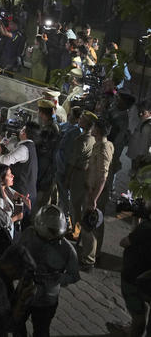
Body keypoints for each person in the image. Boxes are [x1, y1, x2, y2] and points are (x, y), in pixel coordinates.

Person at [16, 205, 80, 337]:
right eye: (49, 230)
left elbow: (74, 275)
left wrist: (57, 278)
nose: (52, 235)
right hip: (24, 292)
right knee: (16, 324)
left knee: (41, 331)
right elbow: (17, 253)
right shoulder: (29, 234)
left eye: (55, 231)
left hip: (47, 299)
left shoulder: (67, 249)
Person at [108, 201, 151, 337]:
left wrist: (137, 221)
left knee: (138, 312)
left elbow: (125, 242)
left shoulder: (145, 228)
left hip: (133, 277)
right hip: (145, 276)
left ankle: (135, 332)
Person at [79, 118, 114, 271]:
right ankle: (94, 254)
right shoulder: (103, 145)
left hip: (95, 192)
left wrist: (94, 198)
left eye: (93, 127)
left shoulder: (103, 148)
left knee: (89, 225)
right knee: (96, 225)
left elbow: (103, 176)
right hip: (94, 190)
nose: (91, 129)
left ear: (98, 131)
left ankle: (88, 261)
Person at [0, 121, 41, 215]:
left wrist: (0, 154)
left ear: (24, 132)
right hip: (28, 192)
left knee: (17, 219)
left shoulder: (24, 149)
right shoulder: (30, 146)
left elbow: (4, 161)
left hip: (22, 194)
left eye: (22, 129)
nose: (20, 130)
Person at [65, 110, 96, 239]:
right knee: (80, 203)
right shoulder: (94, 138)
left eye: (82, 119)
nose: (79, 120)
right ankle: (77, 230)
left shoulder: (81, 139)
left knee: (75, 204)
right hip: (87, 173)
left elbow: (73, 162)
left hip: (78, 173)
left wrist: (67, 178)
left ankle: (76, 232)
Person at [128, 99, 151, 173]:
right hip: (136, 157)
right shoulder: (142, 122)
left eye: (143, 112)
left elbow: (146, 147)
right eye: (139, 111)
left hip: (141, 160)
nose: (140, 114)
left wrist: (139, 160)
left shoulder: (148, 125)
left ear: (150, 112)